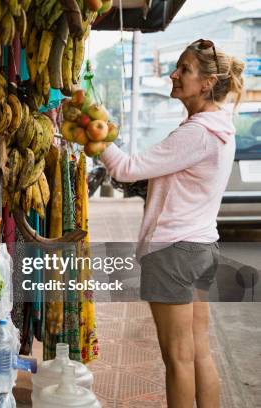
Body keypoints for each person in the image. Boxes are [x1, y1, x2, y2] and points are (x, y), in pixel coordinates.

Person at [99, 39, 245, 407]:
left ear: (207, 83)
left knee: (177, 359)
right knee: (198, 352)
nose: (173, 74)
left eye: (184, 70)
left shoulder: (197, 133)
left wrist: (94, 134)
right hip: (200, 248)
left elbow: (125, 167)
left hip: (173, 253)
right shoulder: (218, 126)